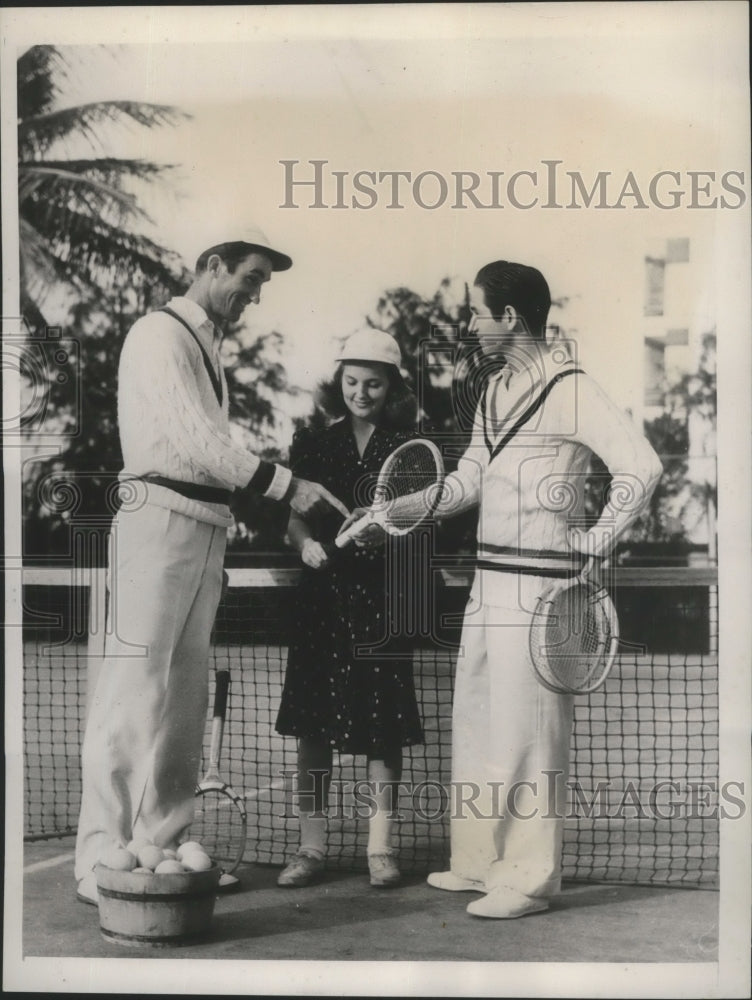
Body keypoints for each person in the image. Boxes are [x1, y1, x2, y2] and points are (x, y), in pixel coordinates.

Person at [355, 261, 662, 918]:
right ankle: (476, 864)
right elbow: (466, 479)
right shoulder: (492, 390)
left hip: (542, 594)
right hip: (486, 586)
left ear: (510, 318)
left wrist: (594, 539)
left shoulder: (573, 389)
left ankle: (526, 880)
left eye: (476, 313)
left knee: (528, 738)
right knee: (475, 726)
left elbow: (643, 465)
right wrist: (394, 512)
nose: (470, 324)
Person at [74, 227, 348, 905]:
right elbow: (195, 443)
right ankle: (100, 856)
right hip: (155, 522)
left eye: (262, 285)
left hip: (203, 527)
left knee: (184, 702)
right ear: (211, 266)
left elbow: (210, 453)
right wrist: (291, 486)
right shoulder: (159, 334)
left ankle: (161, 849)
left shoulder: (207, 349)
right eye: (250, 277)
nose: (254, 295)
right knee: (133, 691)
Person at [275, 328, 424, 889]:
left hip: (383, 604)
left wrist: (392, 540)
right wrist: (304, 543)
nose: (362, 392)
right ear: (339, 383)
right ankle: (310, 850)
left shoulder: (405, 448)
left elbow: (420, 526)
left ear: (391, 387)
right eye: (353, 382)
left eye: (375, 384)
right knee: (313, 730)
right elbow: (294, 518)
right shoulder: (311, 445)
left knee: (382, 731)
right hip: (322, 602)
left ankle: (380, 851)